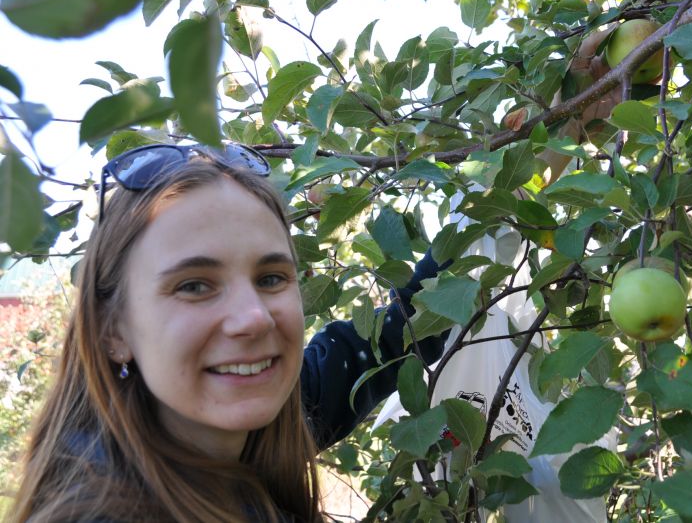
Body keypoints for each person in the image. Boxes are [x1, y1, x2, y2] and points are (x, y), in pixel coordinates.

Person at [10, 143, 449, 522]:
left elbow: (381, 344)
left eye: (271, 278)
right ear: (113, 330)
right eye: (194, 286)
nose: (254, 318)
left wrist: (467, 237)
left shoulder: (264, 420)